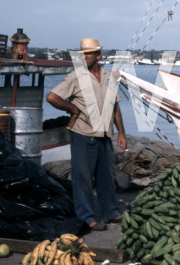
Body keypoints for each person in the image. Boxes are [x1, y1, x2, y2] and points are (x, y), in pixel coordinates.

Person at [46, 38, 127, 231]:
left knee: (107, 176)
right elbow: (52, 97)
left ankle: (111, 212)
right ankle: (86, 216)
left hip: (105, 135)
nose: (84, 57)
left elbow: (115, 107)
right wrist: (73, 109)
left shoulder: (109, 77)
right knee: (82, 177)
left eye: (88, 54)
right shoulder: (76, 77)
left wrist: (122, 133)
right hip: (83, 134)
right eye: (82, 54)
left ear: (98, 55)